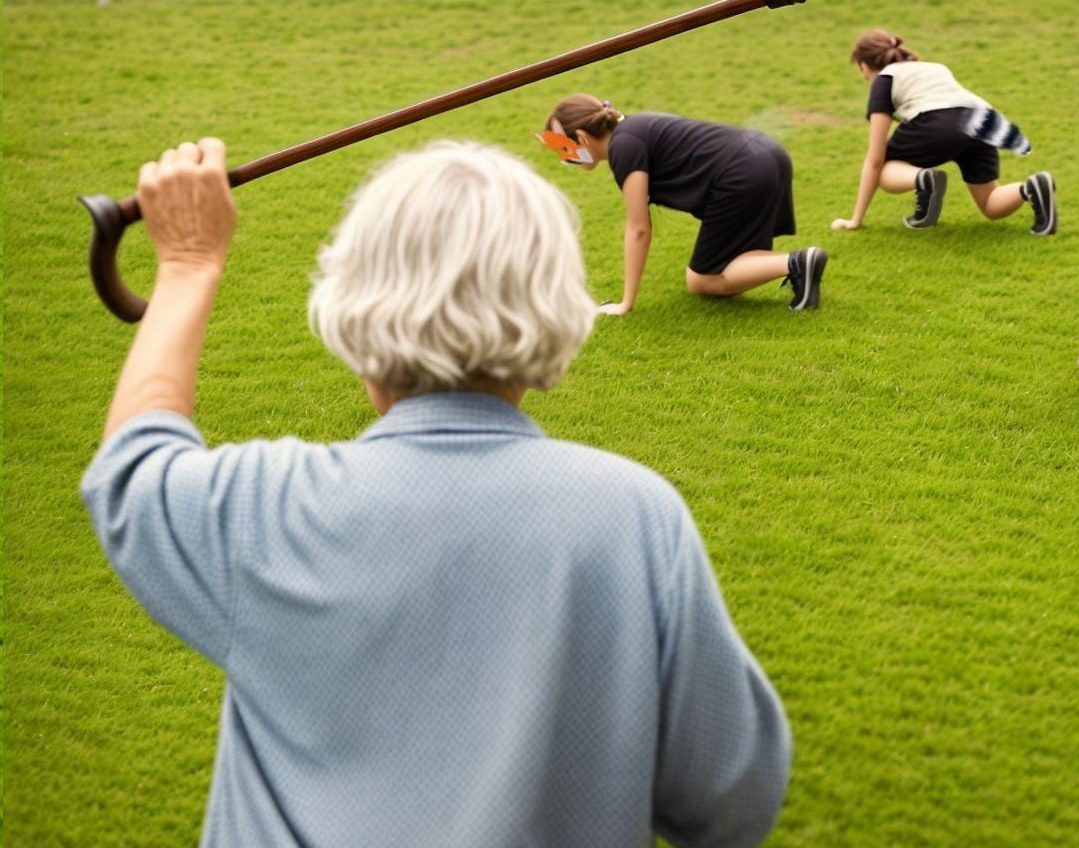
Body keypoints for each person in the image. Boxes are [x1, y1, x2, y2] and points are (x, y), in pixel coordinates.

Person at [81, 138, 791, 847]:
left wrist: (186, 267)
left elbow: (133, 465)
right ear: (553, 305)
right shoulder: (633, 518)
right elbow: (731, 798)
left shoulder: (261, 507)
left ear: (352, 302)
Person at [541, 94, 827, 313]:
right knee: (726, 266)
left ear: (581, 137)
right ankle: (796, 266)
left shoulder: (623, 148)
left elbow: (639, 227)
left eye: (564, 149)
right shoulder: (633, 128)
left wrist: (626, 303)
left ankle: (796, 263)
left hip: (742, 173)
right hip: (767, 153)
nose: (564, 158)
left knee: (700, 280)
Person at [831, 29, 1057, 234]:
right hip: (983, 120)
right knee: (990, 205)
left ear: (864, 64)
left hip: (939, 121)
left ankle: (924, 179)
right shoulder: (934, 67)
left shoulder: (884, 79)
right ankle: (1030, 187)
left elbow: (875, 158)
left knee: (884, 168)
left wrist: (855, 219)